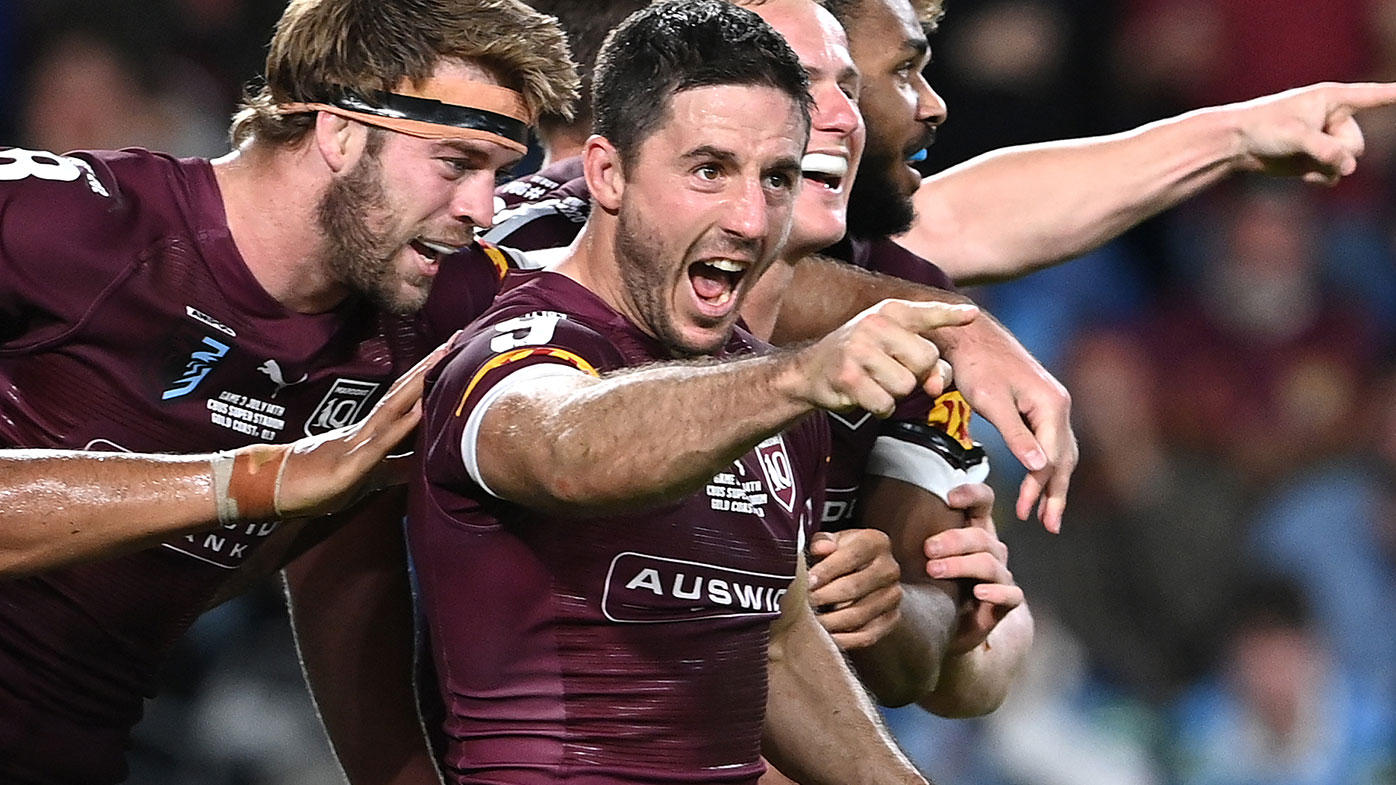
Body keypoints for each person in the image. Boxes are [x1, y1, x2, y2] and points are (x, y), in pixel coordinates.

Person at [0, 0, 578, 781]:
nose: (480, 207)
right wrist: (268, 477)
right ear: (339, 130)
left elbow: (345, 584)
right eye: (455, 162)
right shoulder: (59, 220)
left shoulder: (415, 321)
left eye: (498, 173)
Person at [408, 2, 975, 782]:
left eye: (777, 176)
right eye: (709, 169)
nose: (749, 218)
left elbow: (775, 640)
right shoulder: (512, 346)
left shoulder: (776, 403)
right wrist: (799, 375)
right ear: (608, 173)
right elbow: (570, 446)